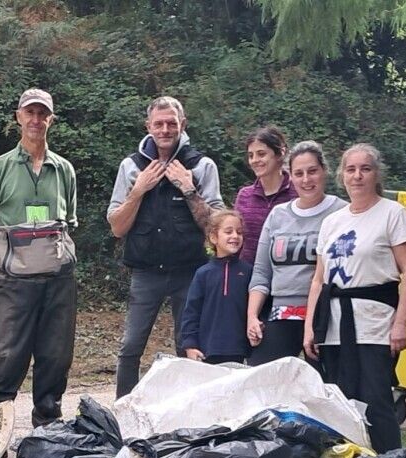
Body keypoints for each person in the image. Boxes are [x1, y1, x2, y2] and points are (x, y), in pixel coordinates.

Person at [303, 144, 406, 453]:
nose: (357, 176)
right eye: (351, 169)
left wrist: (401, 323)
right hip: (333, 321)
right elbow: (319, 279)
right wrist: (310, 328)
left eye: (365, 169)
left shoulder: (393, 214)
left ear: (376, 174)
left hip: (374, 321)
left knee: (376, 397)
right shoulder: (332, 222)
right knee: (342, 400)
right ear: (341, 175)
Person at [107, 95, 225, 397]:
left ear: (182, 125)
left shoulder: (202, 166)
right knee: (130, 347)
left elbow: (217, 227)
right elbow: (117, 227)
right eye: (158, 124)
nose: (164, 129)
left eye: (171, 123)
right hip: (146, 273)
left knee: (188, 347)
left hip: (190, 273)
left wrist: (188, 188)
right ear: (148, 126)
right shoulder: (131, 167)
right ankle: (123, 413)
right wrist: (138, 191)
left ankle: (189, 414)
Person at [0, 88, 79, 427]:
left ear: (51, 119)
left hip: (58, 280)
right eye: (30, 113)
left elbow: (71, 221)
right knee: (8, 355)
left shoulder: (64, 169)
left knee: (55, 356)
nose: (36, 120)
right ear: (19, 117)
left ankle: (48, 432)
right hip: (14, 281)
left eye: (43, 114)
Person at [247, 140, 347, 366]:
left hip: (326, 314)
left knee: (324, 387)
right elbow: (262, 272)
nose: (306, 180)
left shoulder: (341, 212)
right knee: (263, 378)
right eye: (298, 173)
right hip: (281, 312)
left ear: (324, 171)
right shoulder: (278, 215)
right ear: (289, 176)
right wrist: (252, 317)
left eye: (312, 172)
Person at [180, 209, 252, 364]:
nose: (235, 236)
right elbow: (191, 312)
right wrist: (190, 344)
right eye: (228, 231)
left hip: (240, 350)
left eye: (239, 232)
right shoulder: (203, 273)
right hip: (207, 349)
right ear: (213, 237)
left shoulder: (249, 272)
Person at [234, 126, 298, 265]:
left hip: (286, 275)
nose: (255, 160)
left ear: (280, 153)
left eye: (261, 154)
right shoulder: (244, 195)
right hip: (248, 276)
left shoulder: (297, 193)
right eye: (251, 155)